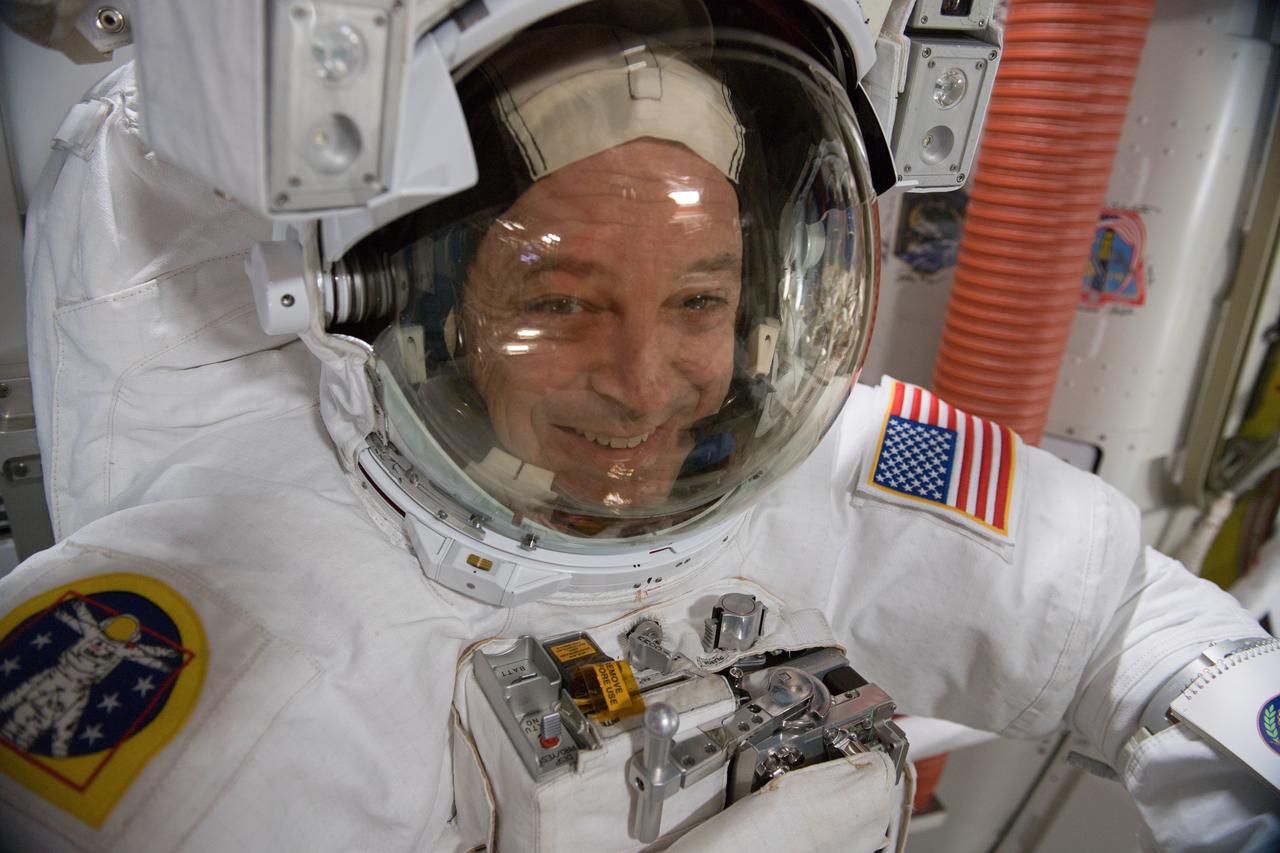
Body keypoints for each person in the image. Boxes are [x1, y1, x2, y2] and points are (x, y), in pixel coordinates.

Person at [1, 3, 1276, 851]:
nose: (646, 382)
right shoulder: (242, 628)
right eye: (560, 303)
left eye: (698, 301)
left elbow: (1126, 623)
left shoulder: (807, 469)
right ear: (428, 319)